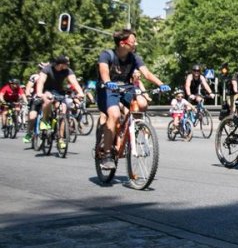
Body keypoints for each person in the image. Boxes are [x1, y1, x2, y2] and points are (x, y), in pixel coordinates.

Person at [97, 29, 170, 168]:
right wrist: (107, 81)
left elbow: (147, 73)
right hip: (108, 88)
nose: (135, 43)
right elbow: (104, 72)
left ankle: (132, 129)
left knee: (142, 103)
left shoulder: (134, 57)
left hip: (126, 88)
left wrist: (161, 84)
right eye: (132, 41)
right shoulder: (107, 55)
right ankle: (107, 154)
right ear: (122, 43)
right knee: (114, 114)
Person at [33, 56, 85, 152]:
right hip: (47, 90)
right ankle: (44, 121)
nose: (68, 66)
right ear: (61, 64)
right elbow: (41, 81)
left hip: (59, 92)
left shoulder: (67, 71)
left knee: (62, 111)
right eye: (66, 64)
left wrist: (80, 92)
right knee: (48, 100)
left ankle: (60, 138)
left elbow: (74, 82)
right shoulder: (47, 69)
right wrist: (40, 92)